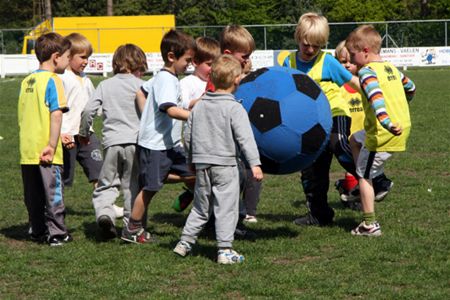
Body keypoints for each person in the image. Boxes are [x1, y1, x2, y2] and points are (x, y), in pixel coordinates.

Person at [173, 54, 263, 264]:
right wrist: (255, 164)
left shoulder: (200, 106)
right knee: (226, 207)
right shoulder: (235, 108)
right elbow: (246, 139)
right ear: (237, 80)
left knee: (200, 207)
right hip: (225, 166)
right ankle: (224, 250)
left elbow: (188, 134)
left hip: (203, 165)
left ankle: (184, 243)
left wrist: (190, 159)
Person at [283, 12, 360, 226]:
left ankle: (373, 181)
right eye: (306, 44)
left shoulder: (327, 61)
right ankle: (319, 214)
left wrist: (376, 95)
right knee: (312, 169)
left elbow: (352, 81)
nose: (310, 50)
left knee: (340, 145)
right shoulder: (288, 62)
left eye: (316, 46)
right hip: (308, 123)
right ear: (298, 37)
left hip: (335, 113)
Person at [121, 29, 196, 244]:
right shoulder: (165, 80)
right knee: (151, 188)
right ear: (172, 57)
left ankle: (191, 203)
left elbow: (141, 92)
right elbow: (171, 110)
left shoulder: (165, 78)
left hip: (171, 144)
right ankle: (132, 229)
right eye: (187, 60)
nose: (189, 65)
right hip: (155, 146)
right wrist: (195, 116)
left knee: (196, 171)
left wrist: (199, 103)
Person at [345, 25, 416, 236]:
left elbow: (376, 99)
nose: (350, 59)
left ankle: (369, 225)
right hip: (401, 126)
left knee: (363, 175)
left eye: (352, 54)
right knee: (354, 140)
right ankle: (375, 178)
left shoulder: (367, 72)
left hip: (384, 131)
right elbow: (411, 88)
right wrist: (402, 106)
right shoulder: (391, 68)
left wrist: (386, 121)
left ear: (365, 51)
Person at [79, 44, 147, 239]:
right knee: (132, 185)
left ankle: (104, 213)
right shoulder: (140, 86)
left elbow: (87, 110)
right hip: (135, 142)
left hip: (111, 143)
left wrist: (84, 131)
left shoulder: (105, 85)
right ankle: (130, 226)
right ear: (137, 65)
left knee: (107, 183)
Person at [59, 33, 124, 218]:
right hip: (67, 136)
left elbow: (95, 104)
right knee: (63, 178)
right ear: (68, 56)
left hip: (87, 135)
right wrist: (62, 132)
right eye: (82, 57)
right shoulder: (62, 79)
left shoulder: (86, 79)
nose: (86, 61)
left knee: (100, 172)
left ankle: (107, 206)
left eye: (88, 57)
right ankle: (55, 209)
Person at [18, 32, 72, 246]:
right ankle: (57, 232)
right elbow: (56, 113)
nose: (68, 63)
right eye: (68, 57)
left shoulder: (26, 81)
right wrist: (51, 144)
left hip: (27, 149)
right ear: (56, 57)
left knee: (32, 194)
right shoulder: (53, 80)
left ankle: (38, 230)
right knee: (53, 192)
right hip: (46, 149)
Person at [333, 41, 394, 209]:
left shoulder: (368, 84)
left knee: (362, 169)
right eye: (342, 62)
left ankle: (352, 192)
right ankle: (352, 193)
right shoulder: (337, 88)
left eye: (350, 62)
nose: (346, 66)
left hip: (366, 135)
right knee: (353, 168)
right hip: (348, 136)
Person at [219, 25, 263, 226]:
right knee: (232, 176)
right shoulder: (219, 79)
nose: (247, 60)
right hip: (223, 142)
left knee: (250, 171)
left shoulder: (241, 76)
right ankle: (229, 215)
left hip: (240, 137)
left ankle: (247, 212)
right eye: (244, 55)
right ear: (228, 54)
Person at [171, 36, 221, 212]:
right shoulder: (187, 83)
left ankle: (197, 198)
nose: (212, 69)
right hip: (194, 138)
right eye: (209, 64)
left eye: (216, 64)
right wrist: (204, 98)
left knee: (212, 175)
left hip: (215, 136)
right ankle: (192, 195)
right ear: (195, 62)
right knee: (199, 174)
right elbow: (182, 104)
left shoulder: (216, 82)